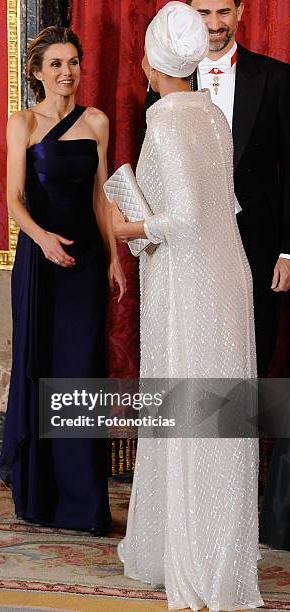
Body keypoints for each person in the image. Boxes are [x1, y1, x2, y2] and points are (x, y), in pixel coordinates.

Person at [111, 2, 263, 609]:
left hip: (188, 286)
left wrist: (125, 228)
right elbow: (221, 208)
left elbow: (182, 219)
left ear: (151, 59)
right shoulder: (211, 116)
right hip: (228, 274)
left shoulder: (166, 122)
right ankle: (203, 551)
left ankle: (197, 560)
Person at [145, 0, 290, 555]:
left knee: (243, 375)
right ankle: (197, 503)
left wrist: (286, 250)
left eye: (223, 9)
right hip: (187, 257)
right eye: (202, 9)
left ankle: (239, 511)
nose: (213, 21)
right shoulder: (164, 90)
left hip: (255, 252)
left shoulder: (274, 78)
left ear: (241, 12)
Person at [0, 26, 125, 534]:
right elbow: (12, 199)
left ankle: (84, 504)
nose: (67, 72)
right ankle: (41, 496)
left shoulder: (96, 120)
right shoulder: (22, 123)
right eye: (56, 64)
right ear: (36, 71)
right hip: (40, 263)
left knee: (80, 374)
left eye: (73, 62)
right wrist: (43, 239)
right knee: (42, 369)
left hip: (87, 264)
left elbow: (101, 196)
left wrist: (114, 257)